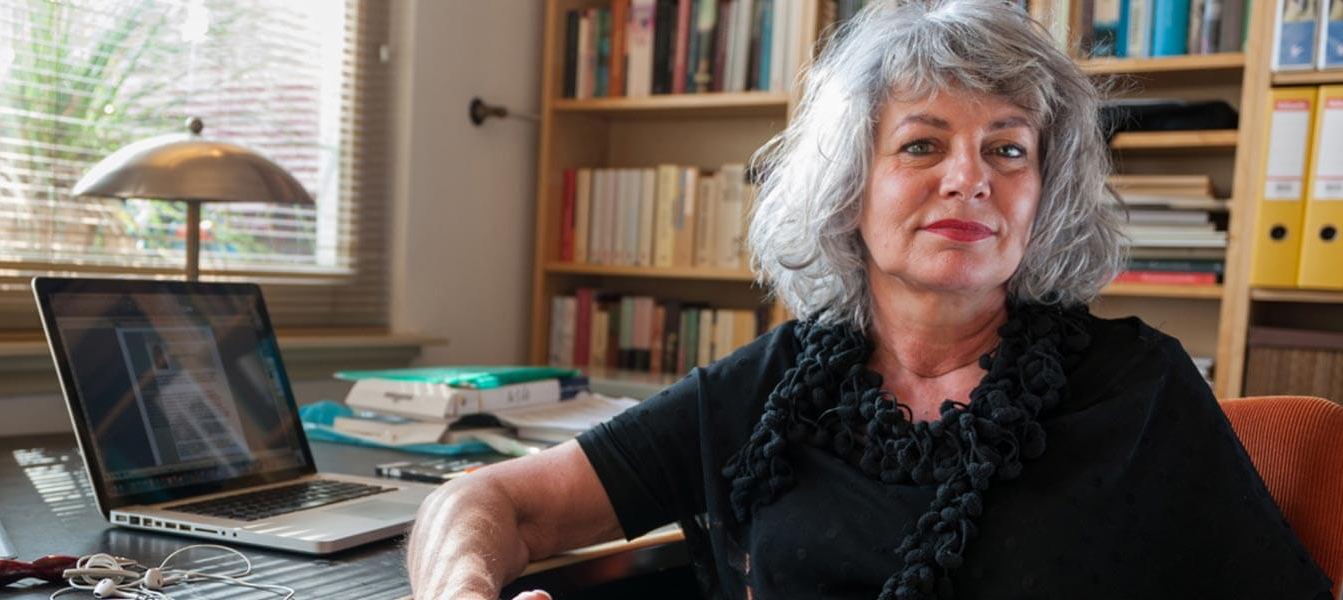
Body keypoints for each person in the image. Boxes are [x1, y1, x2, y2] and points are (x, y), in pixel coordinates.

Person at [405, 1, 1337, 598]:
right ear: (852, 186)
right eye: (923, 144)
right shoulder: (775, 390)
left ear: (1043, 195)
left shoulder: (1138, 386)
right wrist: (460, 590)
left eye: (1008, 149)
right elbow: (495, 503)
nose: (970, 178)